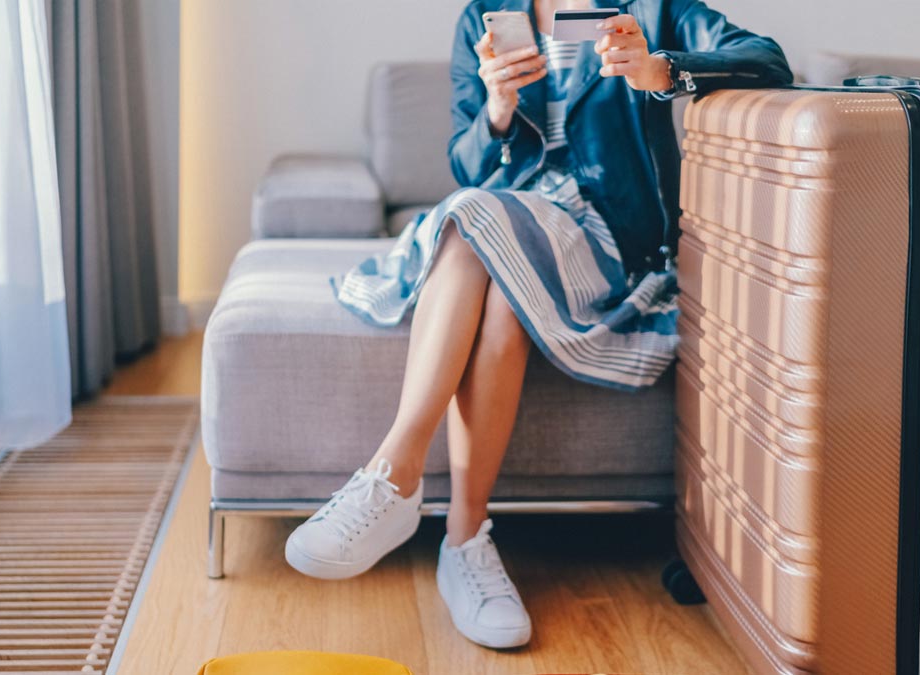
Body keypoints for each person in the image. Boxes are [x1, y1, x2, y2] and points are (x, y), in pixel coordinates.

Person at [284, 0, 791, 649]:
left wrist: (660, 70)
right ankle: (465, 542)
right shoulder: (486, 16)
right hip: (508, 224)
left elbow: (768, 61)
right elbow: (468, 165)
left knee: (471, 221)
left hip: (606, 240)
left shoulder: (653, 10)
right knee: (492, 273)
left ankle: (393, 477)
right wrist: (496, 108)